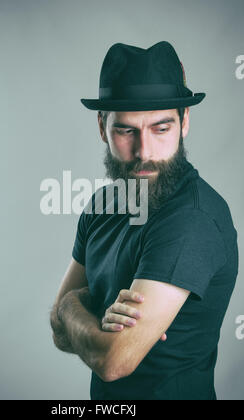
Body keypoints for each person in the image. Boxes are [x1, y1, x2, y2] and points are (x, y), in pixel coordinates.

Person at [50, 41, 239, 400]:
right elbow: (58, 331)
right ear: (102, 128)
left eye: (161, 128)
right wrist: (75, 310)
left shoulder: (191, 220)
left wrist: (72, 303)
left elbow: (112, 361)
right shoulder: (103, 204)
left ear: (185, 122)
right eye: (126, 131)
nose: (144, 152)